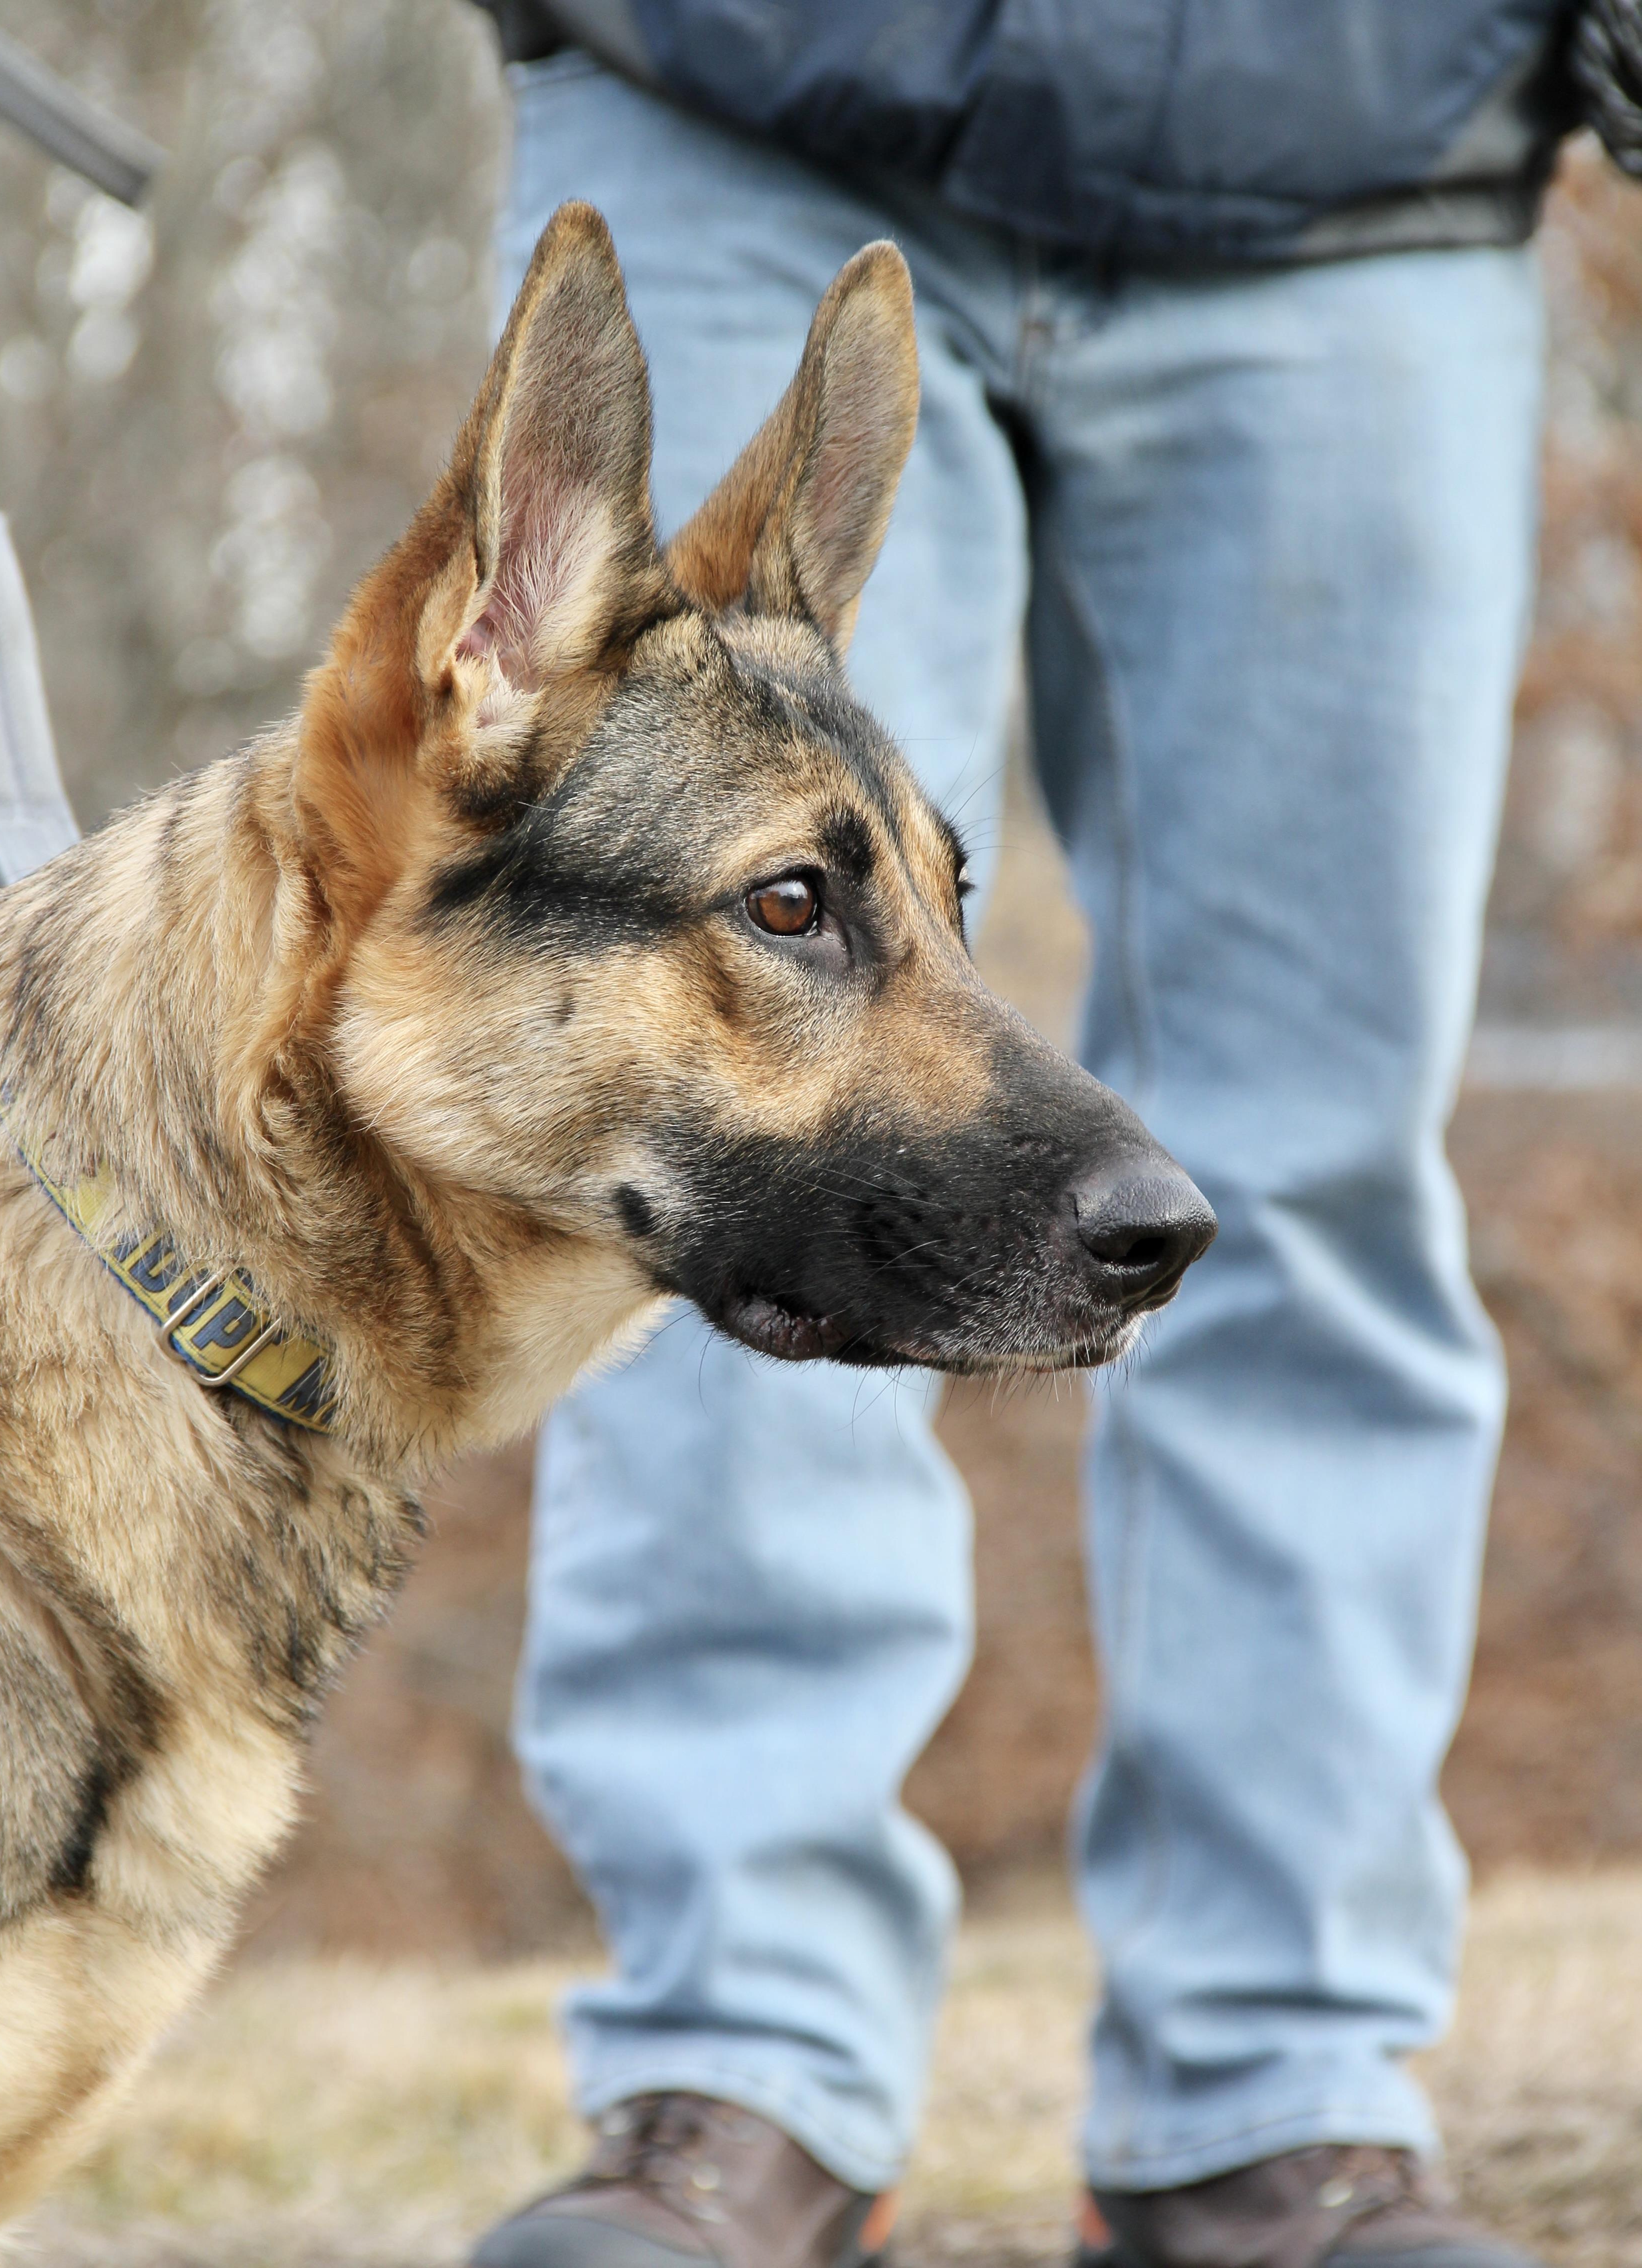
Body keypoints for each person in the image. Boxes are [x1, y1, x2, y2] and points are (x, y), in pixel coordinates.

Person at [462, 8, 1583, 2267]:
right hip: (743, 79)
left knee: (1318, 1178)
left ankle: (1276, 2101)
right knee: (724, 1130)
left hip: (1366, 143)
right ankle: (739, 2076)